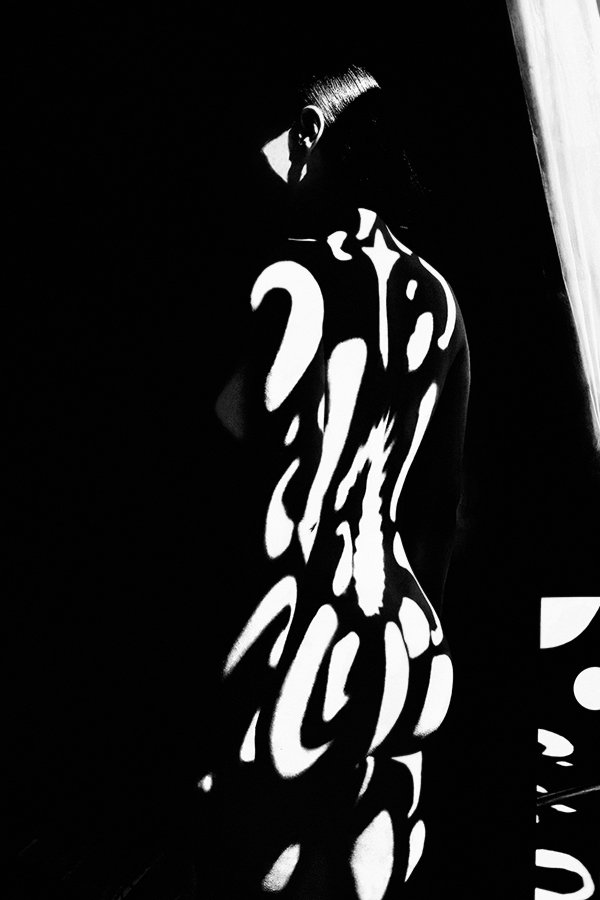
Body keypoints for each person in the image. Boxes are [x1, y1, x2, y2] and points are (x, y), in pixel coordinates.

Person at [201, 64, 470, 899]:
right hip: (404, 636)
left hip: (288, 639)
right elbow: (441, 508)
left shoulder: (278, 281)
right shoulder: (441, 300)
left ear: (311, 135)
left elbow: (227, 468)